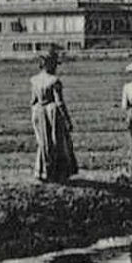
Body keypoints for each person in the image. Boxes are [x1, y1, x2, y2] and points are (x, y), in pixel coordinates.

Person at [30, 49, 78, 183]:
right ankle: (58, 173)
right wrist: (67, 120)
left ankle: (42, 172)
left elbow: (33, 101)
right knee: (58, 142)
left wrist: (34, 117)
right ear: (49, 64)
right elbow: (60, 102)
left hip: (38, 111)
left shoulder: (34, 80)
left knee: (43, 142)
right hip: (52, 111)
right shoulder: (54, 81)